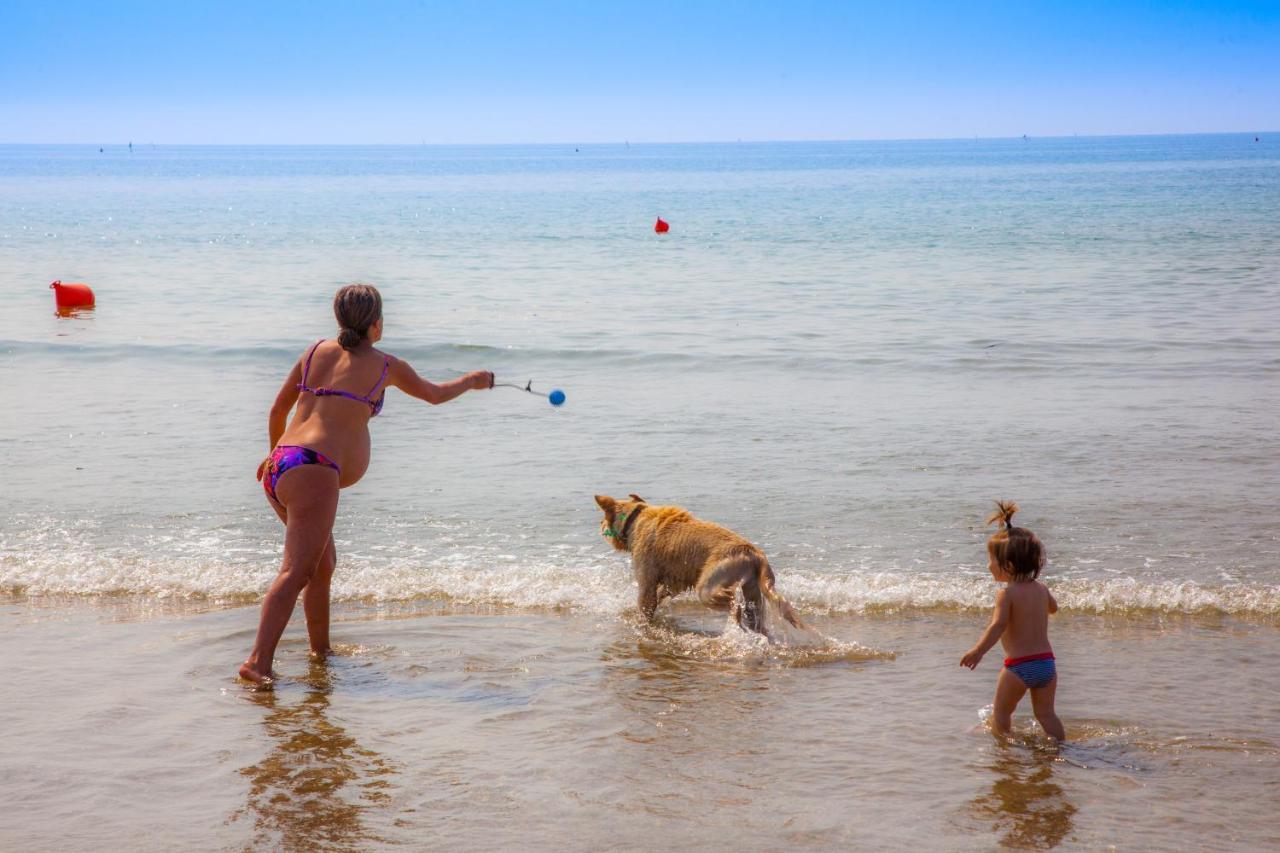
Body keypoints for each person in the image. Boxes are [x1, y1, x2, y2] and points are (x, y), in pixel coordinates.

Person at [239, 283, 493, 685]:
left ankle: (320, 653)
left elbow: (278, 408)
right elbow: (434, 394)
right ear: (377, 323)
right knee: (296, 571)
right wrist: (472, 380)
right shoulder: (386, 365)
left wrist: (273, 456)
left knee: (322, 567)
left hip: (282, 466)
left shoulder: (315, 351)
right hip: (315, 469)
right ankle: (257, 663)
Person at [960, 501, 1066, 740]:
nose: (988, 565)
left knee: (1001, 714)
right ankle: (1062, 746)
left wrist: (978, 651)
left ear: (1006, 566)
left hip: (1019, 666)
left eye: (990, 560)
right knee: (1047, 715)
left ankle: (1005, 754)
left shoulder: (1006, 594)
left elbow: (997, 626)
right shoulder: (1041, 588)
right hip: (1046, 664)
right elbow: (1053, 608)